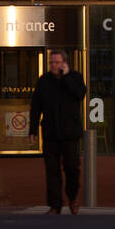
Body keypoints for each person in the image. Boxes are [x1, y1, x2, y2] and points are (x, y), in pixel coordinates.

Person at [29, 48, 87, 214]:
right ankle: (55, 205)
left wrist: (67, 76)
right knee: (52, 171)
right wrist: (32, 130)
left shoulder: (75, 77)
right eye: (52, 62)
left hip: (70, 133)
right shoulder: (43, 81)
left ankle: (73, 197)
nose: (54, 65)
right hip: (50, 132)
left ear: (64, 63)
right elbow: (36, 107)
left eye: (57, 62)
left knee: (72, 168)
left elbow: (80, 94)